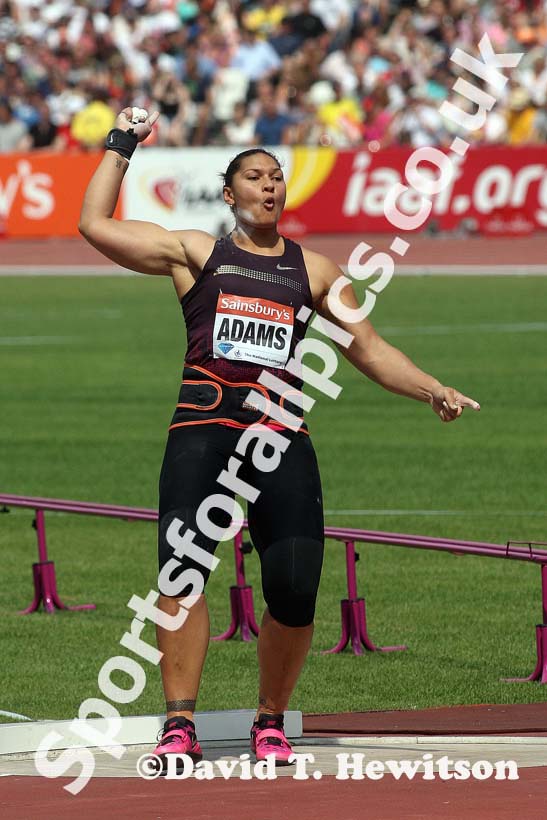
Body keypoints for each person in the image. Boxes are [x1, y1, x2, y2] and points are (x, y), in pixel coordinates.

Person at [79, 106, 480, 770]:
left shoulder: (314, 271)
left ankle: (269, 719)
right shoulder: (195, 253)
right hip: (202, 432)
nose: (269, 186)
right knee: (181, 572)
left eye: (276, 178)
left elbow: (371, 350)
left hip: (278, 439)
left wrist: (431, 386)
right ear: (229, 193)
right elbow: (94, 225)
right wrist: (121, 143)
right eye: (254, 177)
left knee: (294, 587)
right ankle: (179, 722)